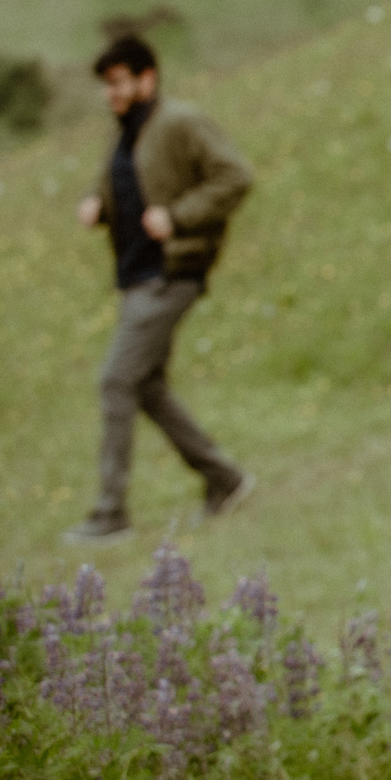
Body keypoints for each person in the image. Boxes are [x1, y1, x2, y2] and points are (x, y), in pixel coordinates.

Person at [65, 34, 257, 544]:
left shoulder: (180, 121)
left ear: (147, 79)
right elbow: (128, 185)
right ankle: (225, 479)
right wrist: (98, 205)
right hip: (139, 276)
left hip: (171, 274)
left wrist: (178, 217)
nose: (110, 93)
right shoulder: (128, 131)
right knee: (146, 386)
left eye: (118, 82)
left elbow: (236, 176)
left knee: (116, 380)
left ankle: (110, 513)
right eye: (106, 85)